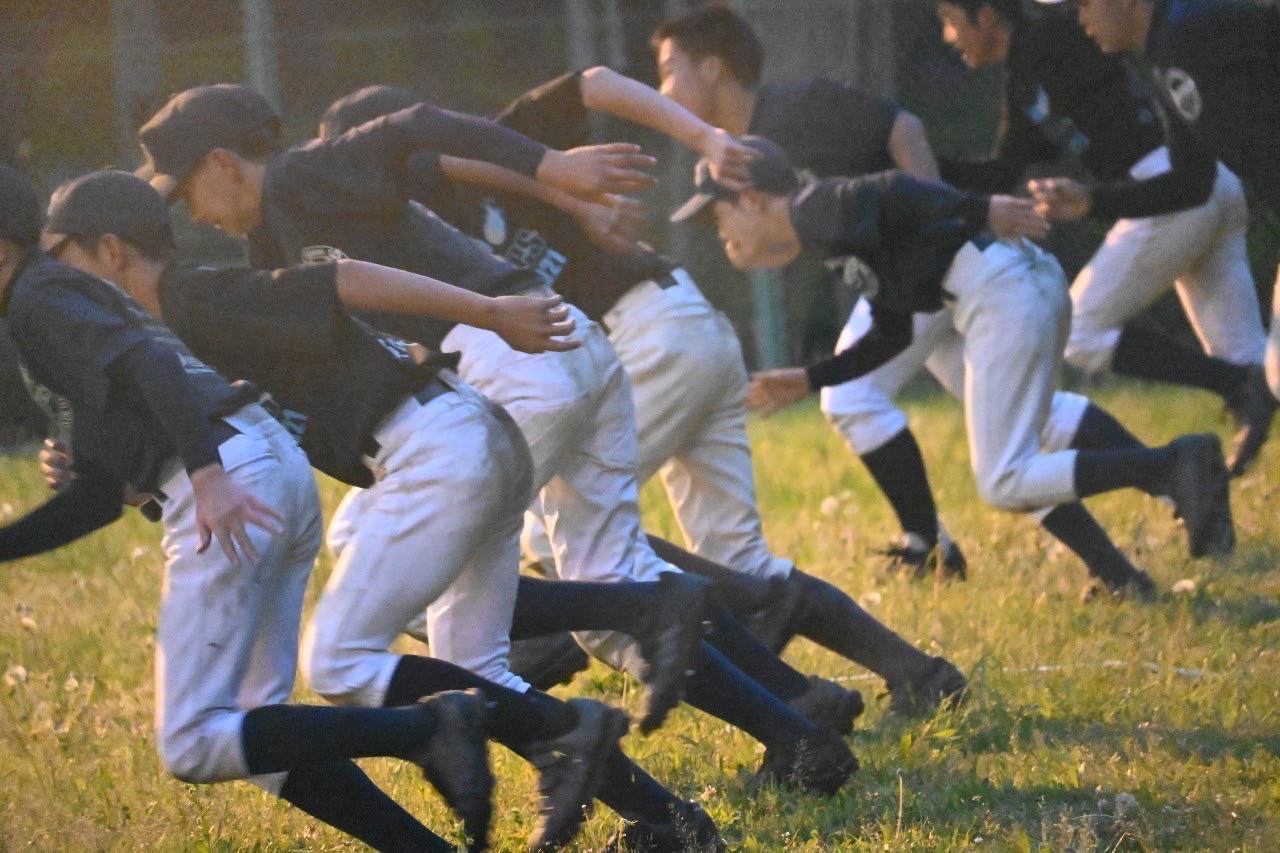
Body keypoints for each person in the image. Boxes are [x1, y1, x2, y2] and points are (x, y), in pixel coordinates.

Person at [319, 78, 967, 715]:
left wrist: (693, 142)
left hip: (643, 337)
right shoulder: (428, 211)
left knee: (569, 548)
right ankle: (915, 671)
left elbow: (583, 90)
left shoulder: (465, 161)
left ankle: (573, 652)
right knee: (725, 554)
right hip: (682, 323)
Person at [0, 161, 494, 853]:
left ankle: (429, 727)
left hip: (228, 481)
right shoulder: (55, 291)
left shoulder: (36, 297)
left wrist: (204, 473)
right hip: (262, 462)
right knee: (255, 730)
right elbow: (98, 497)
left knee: (194, 741)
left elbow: (154, 365)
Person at [677, 136, 1236, 597]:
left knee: (1003, 478)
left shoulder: (811, 210)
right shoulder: (825, 230)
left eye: (718, 215)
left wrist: (979, 207)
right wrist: (810, 379)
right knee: (1016, 459)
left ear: (752, 200)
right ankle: (1122, 577)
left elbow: (892, 186)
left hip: (1005, 295)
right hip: (1021, 283)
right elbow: (894, 330)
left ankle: (1168, 465)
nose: (720, 233)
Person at [651, 3, 966, 577]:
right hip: (904, 289)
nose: (663, 90)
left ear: (714, 68)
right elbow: (794, 236)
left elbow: (905, 128)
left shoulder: (798, 110)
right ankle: (938, 548)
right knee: (1017, 430)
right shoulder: (740, 153)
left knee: (855, 398)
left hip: (939, 271)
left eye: (672, 70)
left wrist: (935, 232)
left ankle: (930, 547)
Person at [935, 0, 1273, 477]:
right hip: (1197, 184)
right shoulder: (1026, 81)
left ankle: (1240, 384)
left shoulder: (1058, 32)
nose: (950, 37)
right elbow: (1001, 171)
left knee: (1081, 330)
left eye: (950, 20)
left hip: (1171, 186)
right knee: (1257, 361)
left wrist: (1095, 199)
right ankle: (1244, 382)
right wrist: (913, 163)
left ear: (987, 15)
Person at [1028, 0, 1280, 414]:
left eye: (1083, 3)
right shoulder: (1166, 56)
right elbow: (1191, 184)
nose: (1079, 18)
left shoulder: (1194, 28)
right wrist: (1093, 200)